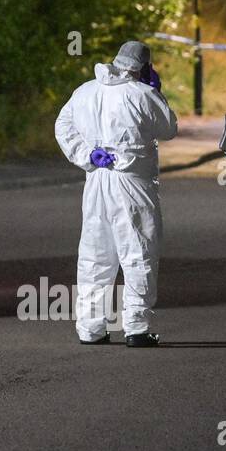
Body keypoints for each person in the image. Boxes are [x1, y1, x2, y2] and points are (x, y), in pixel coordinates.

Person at [54, 41, 179, 347]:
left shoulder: (85, 91)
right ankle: (136, 327)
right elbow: (168, 128)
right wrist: (156, 92)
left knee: (96, 255)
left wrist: (86, 154)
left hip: (97, 180)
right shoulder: (142, 94)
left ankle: (91, 327)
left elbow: (63, 126)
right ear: (144, 67)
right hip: (133, 183)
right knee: (138, 251)